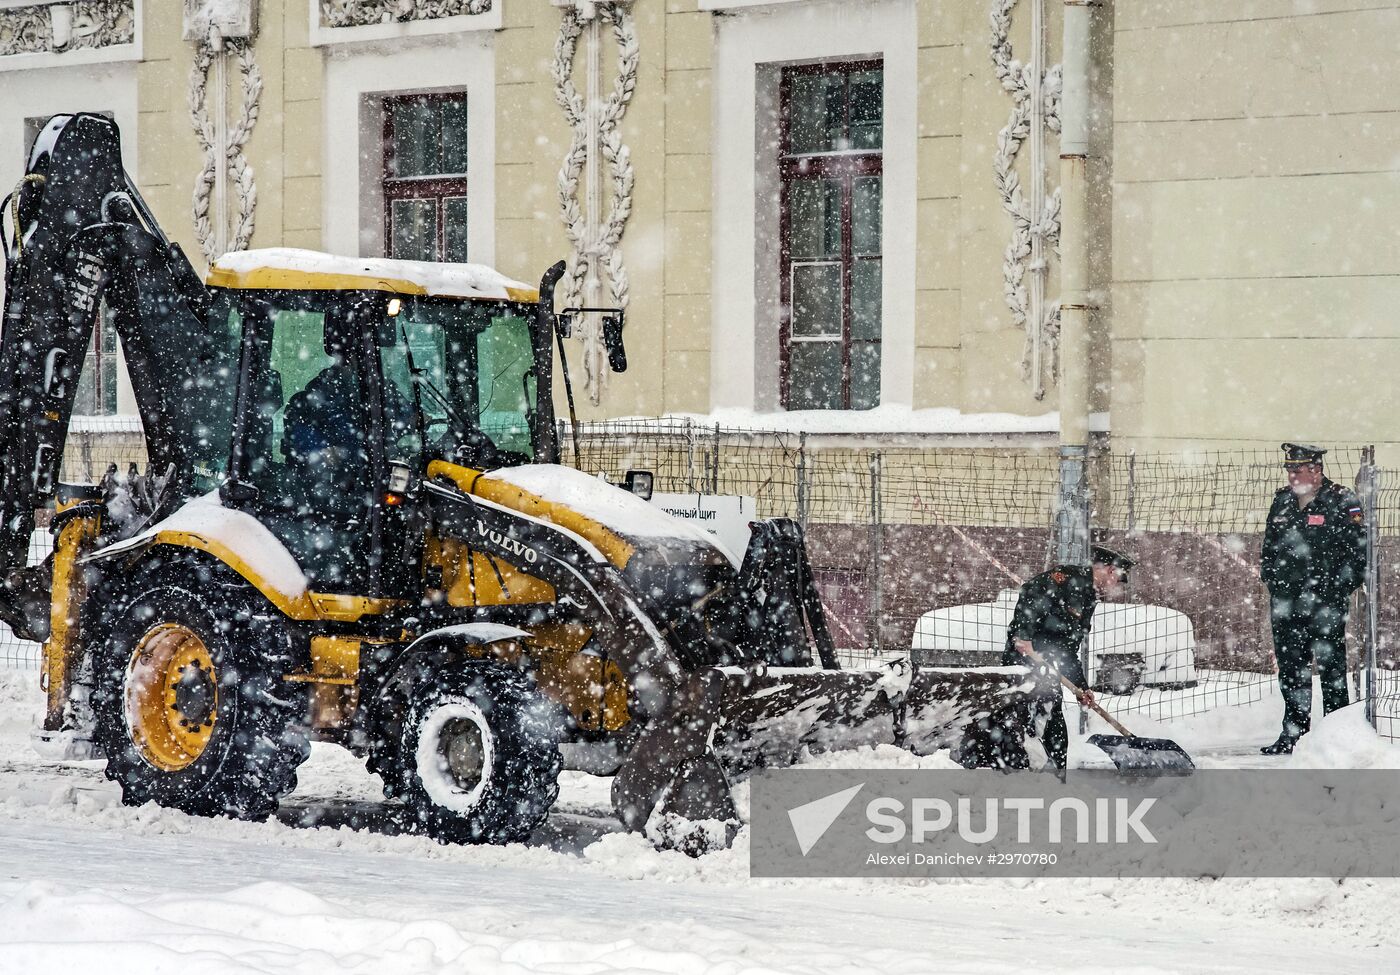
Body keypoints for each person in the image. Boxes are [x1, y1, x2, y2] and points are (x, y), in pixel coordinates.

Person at [1258, 443, 1366, 755]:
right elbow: (1270, 547)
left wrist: (1336, 591)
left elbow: (1358, 553)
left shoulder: (1341, 500)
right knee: (1292, 670)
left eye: (1298, 469)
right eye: (1289, 469)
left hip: (1325, 604)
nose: (1292, 474)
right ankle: (1293, 734)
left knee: (1332, 670)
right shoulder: (1282, 501)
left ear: (1316, 470)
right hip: (1287, 603)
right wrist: (1274, 582)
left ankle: (1335, 737)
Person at [999, 545, 1135, 770]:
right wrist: (1024, 636)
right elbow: (1030, 592)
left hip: (1046, 665)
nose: (1116, 586)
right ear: (1111, 570)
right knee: (1017, 715)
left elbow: (1069, 648)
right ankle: (1016, 773)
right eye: (1118, 579)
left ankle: (1055, 775)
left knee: (1051, 715)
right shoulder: (1066, 578)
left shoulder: (1089, 598)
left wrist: (1082, 687)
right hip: (1023, 657)